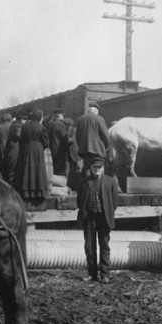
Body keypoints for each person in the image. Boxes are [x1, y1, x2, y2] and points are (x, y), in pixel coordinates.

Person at [76, 155, 119, 283]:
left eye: (99, 167)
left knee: (104, 246)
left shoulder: (110, 181)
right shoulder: (85, 182)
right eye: (94, 167)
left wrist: (107, 213)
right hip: (89, 218)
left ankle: (105, 275)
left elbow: (114, 202)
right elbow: (80, 201)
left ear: (103, 168)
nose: (97, 170)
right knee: (89, 247)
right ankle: (92, 274)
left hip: (104, 218)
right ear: (90, 168)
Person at [13, 109, 50, 199]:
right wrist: (40, 147)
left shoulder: (25, 125)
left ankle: (26, 192)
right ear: (39, 117)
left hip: (27, 148)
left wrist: (25, 147)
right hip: (37, 150)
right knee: (38, 170)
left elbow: (21, 139)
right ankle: (37, 193)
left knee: (27, 170)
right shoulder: (41, 127)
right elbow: (46, 143)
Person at [75, 102, 110, 175]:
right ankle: (98, 185)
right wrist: (107, 146)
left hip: (85, 150)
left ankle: (88, 185)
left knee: (87, 168)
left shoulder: (80, 119)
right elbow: (105, 135)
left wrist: (81, 146)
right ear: (96, 111)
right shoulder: (100, 119)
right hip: (97, 150)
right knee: (98, 169)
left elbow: (77, 137)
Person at [2, 108, 29, 183]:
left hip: (10, 148)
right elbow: (17, 135)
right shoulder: (19, 125)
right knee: (12, 170)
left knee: (9, 169)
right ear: (22, 119)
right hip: (14, 149)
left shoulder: (13, 124)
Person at [46, 108, 68, 176]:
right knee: (58, 170)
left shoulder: (48, 124)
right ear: (59, 115)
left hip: (49, 149)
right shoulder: (60, 125)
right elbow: (65, 138)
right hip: (59, 150)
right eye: (62, 115)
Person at [63, 117, 83, 191]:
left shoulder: (72, 131)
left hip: (76, 154)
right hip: (73, 154)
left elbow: (70, 140)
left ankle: (79, 187)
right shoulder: (72, 130)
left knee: (78, 170)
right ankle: (74, 187)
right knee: (73, 172)